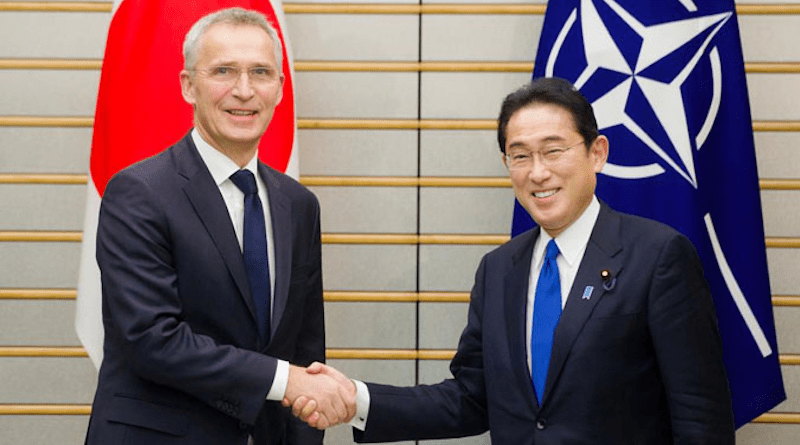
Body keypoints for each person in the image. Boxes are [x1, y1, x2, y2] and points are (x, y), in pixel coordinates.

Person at [290, 77, 735, 444]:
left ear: (596, 152)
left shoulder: (658, 256)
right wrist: (357, 399)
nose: (537, 172)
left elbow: (700, 421)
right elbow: (471, 399)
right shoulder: (500, 270)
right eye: (520, 156)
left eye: (554, 150)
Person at [84, 8, 353, 445]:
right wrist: (287, 380)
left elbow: (305, 349)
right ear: (188, 86)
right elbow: (152, 340)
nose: (244, 91)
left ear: (281, 89)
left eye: (261, 72)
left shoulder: (298, 205)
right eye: (224, 71)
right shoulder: (138, 192)